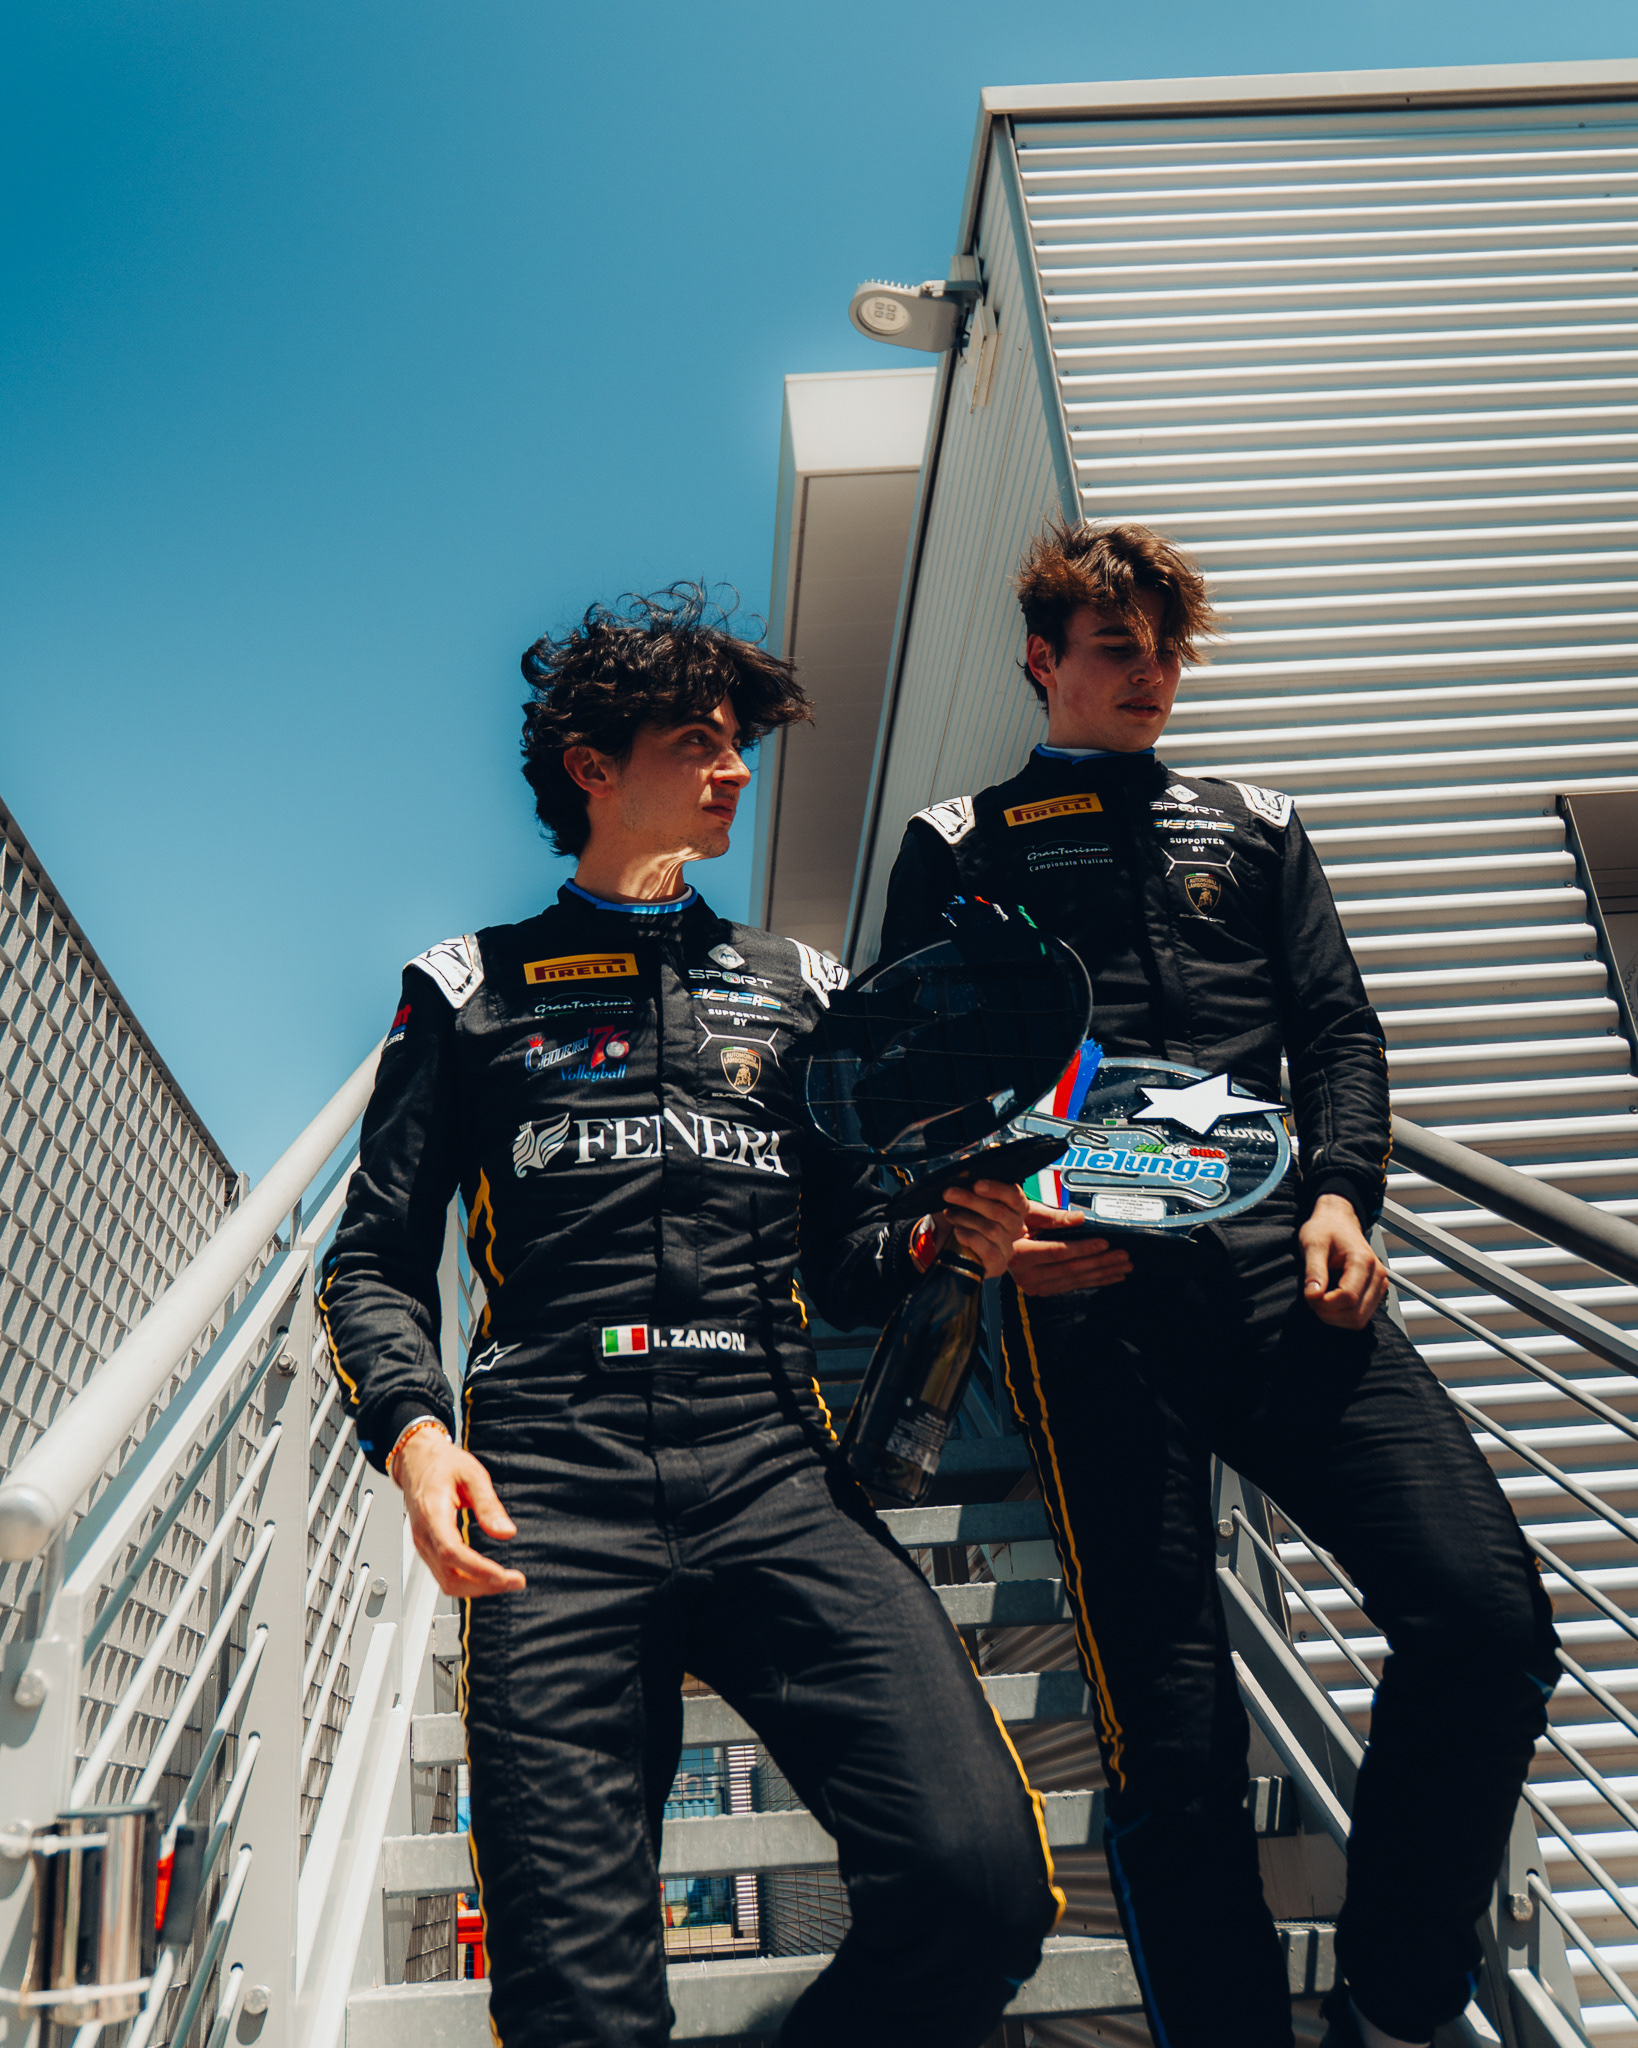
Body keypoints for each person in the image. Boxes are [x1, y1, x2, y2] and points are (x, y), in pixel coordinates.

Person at [319, 586, 1062, 2048]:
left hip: (771, 1463)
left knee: (980, 1888)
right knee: (576, 2006)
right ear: (592, 767)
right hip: (549, 1485)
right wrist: (415, 1435)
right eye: (697, 744)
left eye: (739, 746)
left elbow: (851, 1258)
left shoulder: (806, 992)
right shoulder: (466, 990)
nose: (734, 772)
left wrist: (936, 1238)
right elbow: (373, 1260)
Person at [876, 524, 1560, 2048]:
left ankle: (1394, 1994)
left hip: (1283, 1279)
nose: (1152, 677)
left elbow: (1337, 1028)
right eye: (1117, 650)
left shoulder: (1252, 821)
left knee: (1484, 1618)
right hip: (1085, 1298)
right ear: (1042, 661)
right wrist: (988, 1233)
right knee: (1174, 1740)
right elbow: (914, 1077)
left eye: (1168, 652)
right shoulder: (959, 839)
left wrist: (1344, 1191)